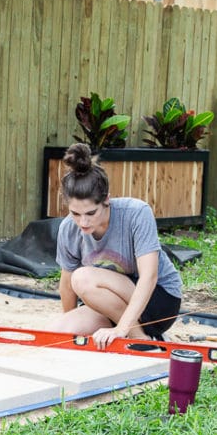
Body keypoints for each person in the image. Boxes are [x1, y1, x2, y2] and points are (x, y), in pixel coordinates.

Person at [49, 142, 182, 349]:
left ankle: (140, 338)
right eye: (76, 214)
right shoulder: (68, 228)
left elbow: (149, 277)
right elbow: (66, 285)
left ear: (107, 200)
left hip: (158, 301)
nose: (83, 222)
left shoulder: (136, 213)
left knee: (82, 277)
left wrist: (122, 329)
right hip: (109, 305)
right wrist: (73, 326)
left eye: (91, 213)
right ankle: (135, 335)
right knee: (60, 331)